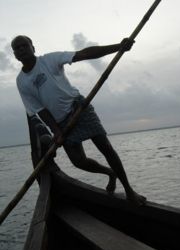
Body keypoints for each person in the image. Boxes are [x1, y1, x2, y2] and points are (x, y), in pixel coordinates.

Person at [11, 35, 146, 206]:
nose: (21, 50)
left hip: (78, 108)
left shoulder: (49, 59)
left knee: (105, 147)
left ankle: (129, 190)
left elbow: (82, 54)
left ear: (33, 47)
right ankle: (110, 173)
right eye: (17, 48)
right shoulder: (21, 81)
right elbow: (38, 109)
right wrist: (56, 131)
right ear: (14, 54)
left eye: (24, 45)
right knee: (78, 161)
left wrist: (118, 47)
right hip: (60, 122)